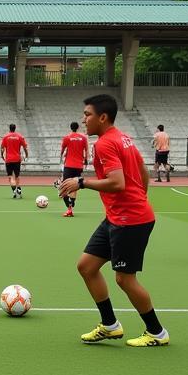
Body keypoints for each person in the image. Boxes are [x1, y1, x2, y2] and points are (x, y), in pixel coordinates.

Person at [57, 94, 169, 347]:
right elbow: (142, 171)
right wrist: (140, 196)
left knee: (124, 279)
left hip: (130, 220)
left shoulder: (105, 144)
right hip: (117, 217)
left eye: (87, 115)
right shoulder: (123, 137)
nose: (83, 119)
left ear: (103, 117)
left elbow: (117, 183)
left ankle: (157, 332)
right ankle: (110, 325)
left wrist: (81, 182)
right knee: (86, 266)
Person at [59, 121, 89, 217]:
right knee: (74, 185)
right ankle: (71, 203)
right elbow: (87, 150)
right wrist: (86, 160)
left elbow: (62, 150)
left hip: (69, 165)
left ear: (70, 128)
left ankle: (69, 205)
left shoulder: (67, 138)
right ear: (78, 128)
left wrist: (61, 156)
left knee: (64, 187)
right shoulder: (83, 138)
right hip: (79, 166)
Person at [1, 123, 29, 198]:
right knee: (17, 176)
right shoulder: (19, 137)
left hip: (9, 159)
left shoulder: (5, 137)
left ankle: (14, 191)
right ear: (15, 128)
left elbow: (2, 148)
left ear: (9, 128)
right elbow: (25, 147)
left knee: (10, 177)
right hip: (17, 159)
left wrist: (2, 155)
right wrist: (26, 155)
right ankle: (18, 189)